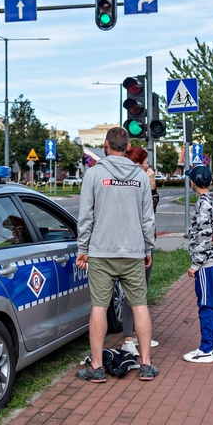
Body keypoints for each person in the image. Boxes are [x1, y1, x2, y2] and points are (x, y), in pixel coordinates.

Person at [75, 127, 157, 382]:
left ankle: (97, 367)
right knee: (139, 305)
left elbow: (86, 216)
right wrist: (148, 247)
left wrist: (82, 249)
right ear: (127, 145)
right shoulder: (140, 176)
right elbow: (148, 218)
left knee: (99, 306)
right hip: (133, 252)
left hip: (101, 253)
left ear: (105, 145)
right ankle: (145, 364)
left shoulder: (94, 174)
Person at [183, 165, 213, 364]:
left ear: (193, 182)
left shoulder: (202, 204)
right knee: (212, 305)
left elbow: (205, 235)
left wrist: (195, 264)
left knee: (206, 305)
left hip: (206, 263)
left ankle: (207, 349)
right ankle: (210, 346)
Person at [121, 146, 160, 356]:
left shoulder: (139, 181)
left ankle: (133, 336)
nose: (149, 166)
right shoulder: (138, 182)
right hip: (138, 245)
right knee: (136, 293)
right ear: (138, 164)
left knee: (135, 293)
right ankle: (130, 337)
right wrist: (147, 247)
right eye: (146, 162)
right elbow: (148, 216)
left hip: (133, 243)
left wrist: (152, 186)